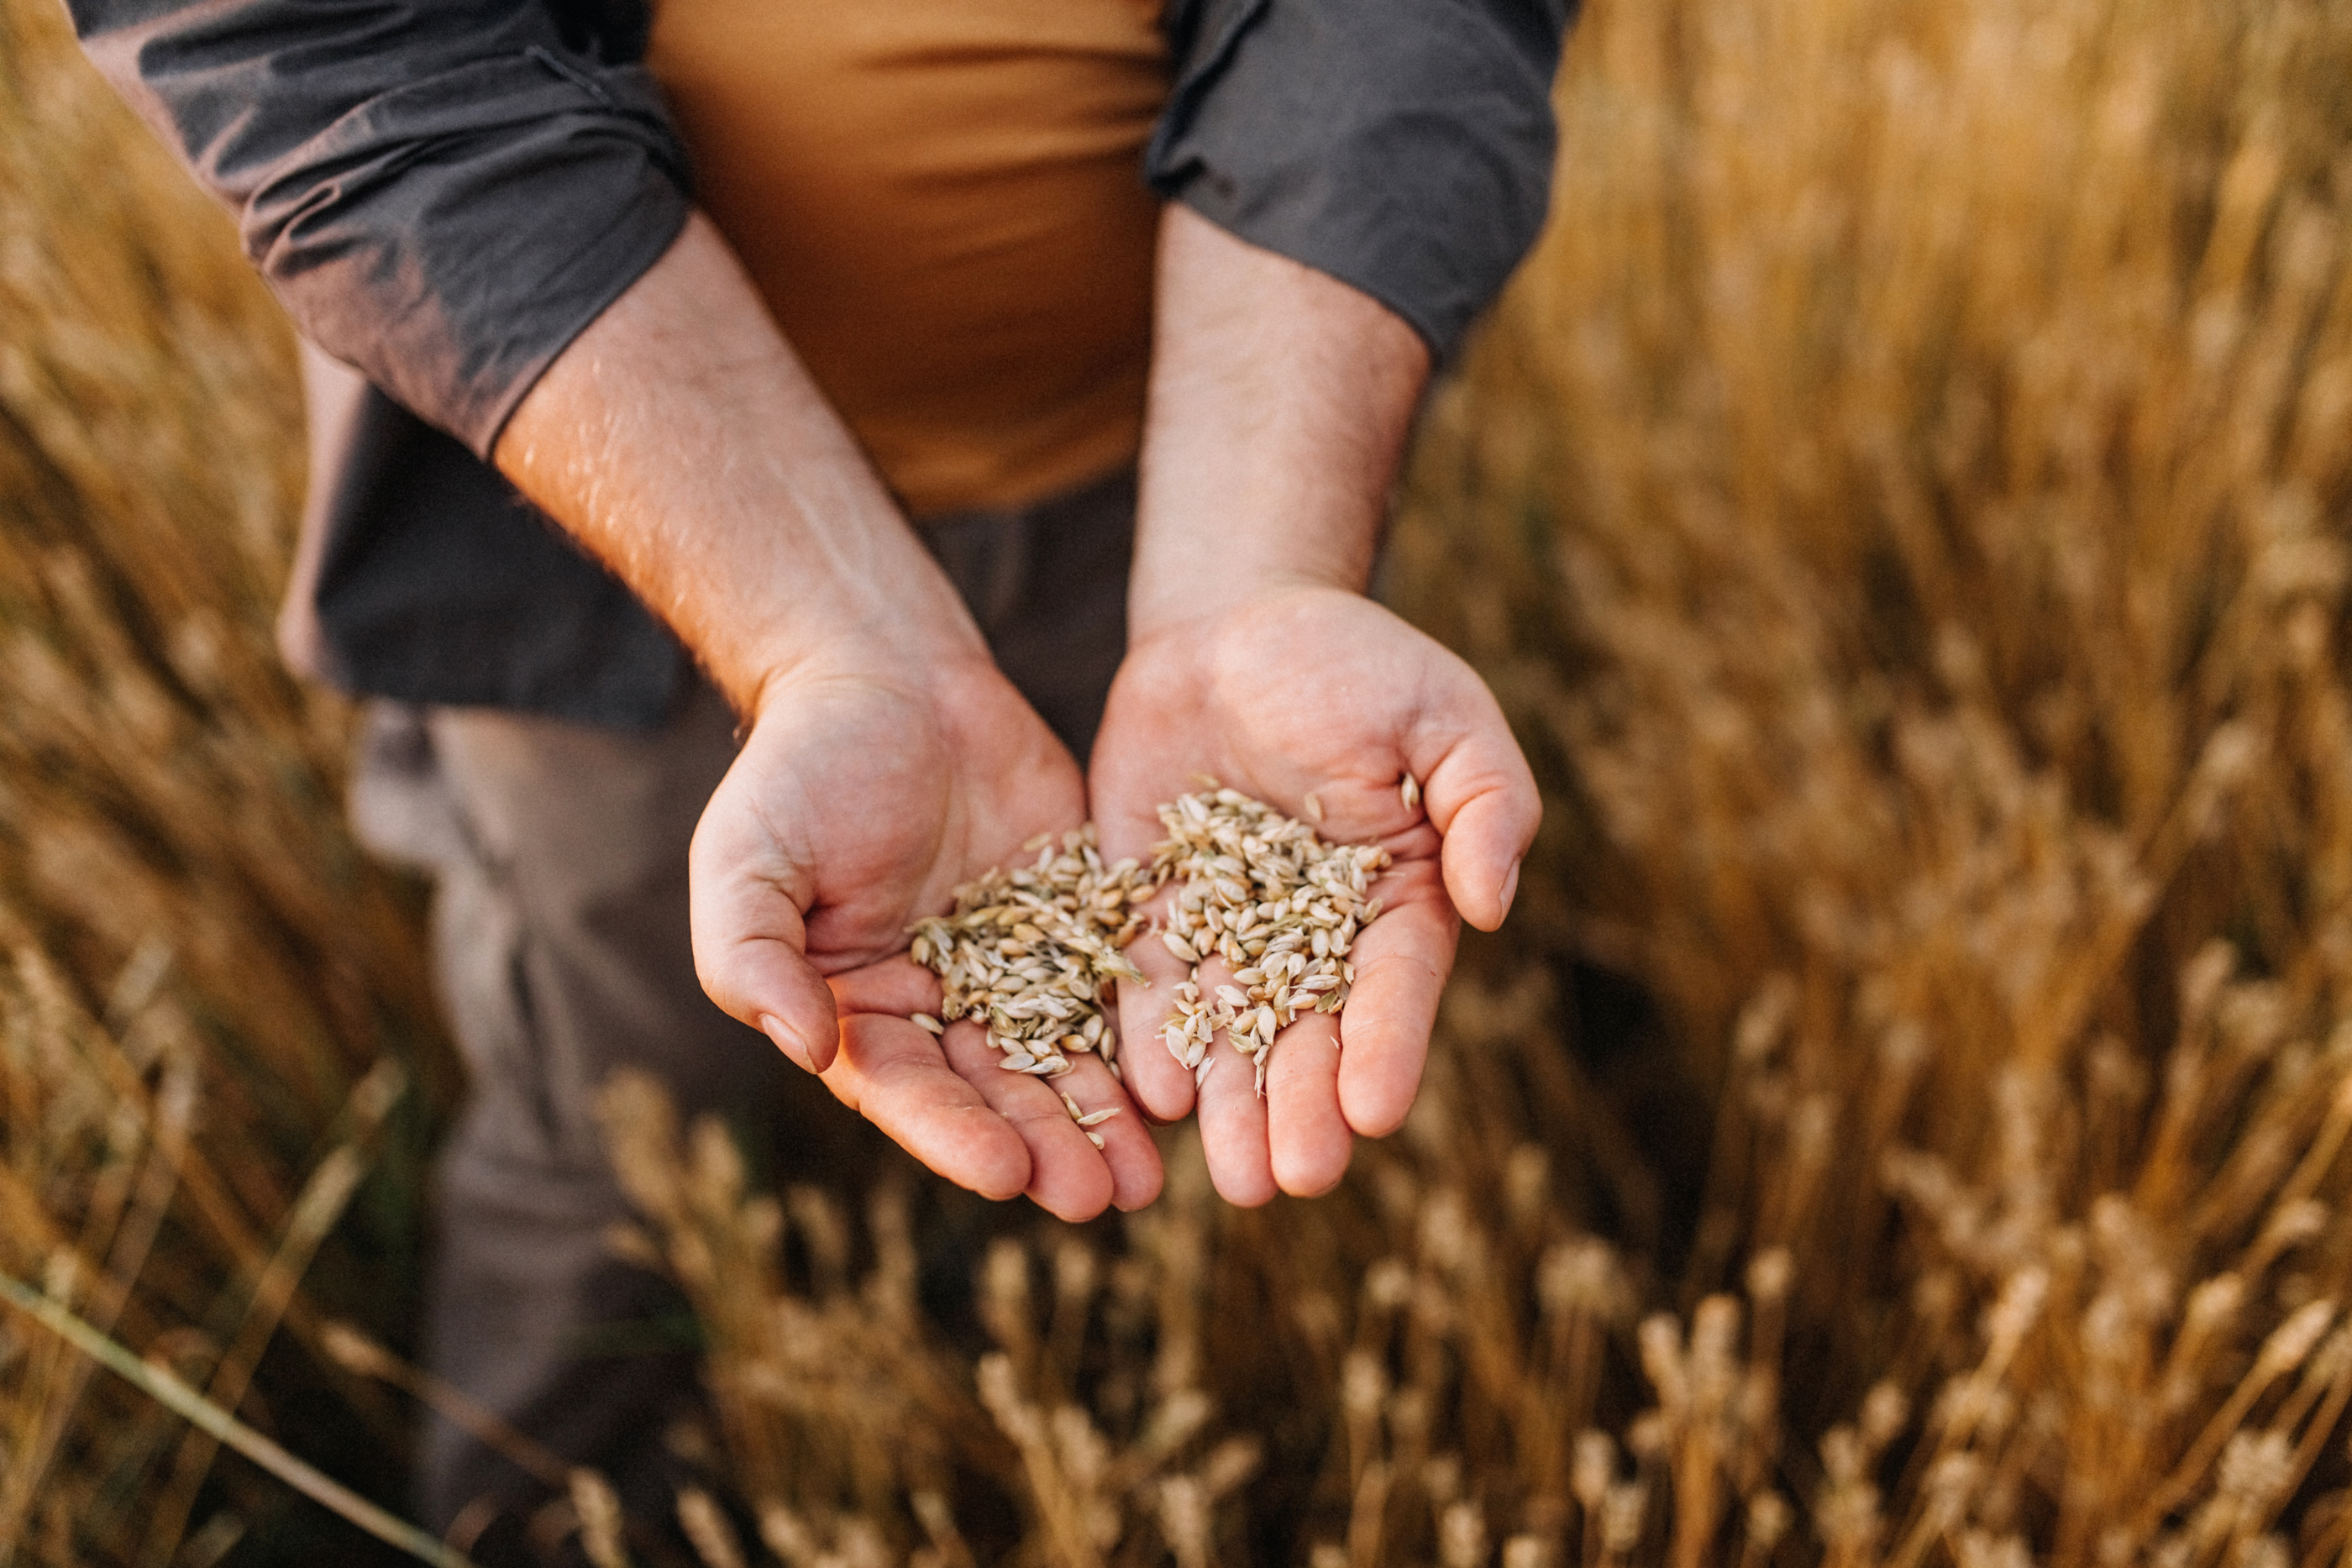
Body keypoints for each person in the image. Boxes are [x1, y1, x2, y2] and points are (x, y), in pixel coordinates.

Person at [73, 0, 1564, 1554]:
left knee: (1122, 1087)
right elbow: (318, 47)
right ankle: (554, 1519)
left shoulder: (1220, 613)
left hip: (1180, 455)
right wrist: (813, 631)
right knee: (617, 1110)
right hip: (616, 499)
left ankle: (1025, 1412)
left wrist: (1255, 558)